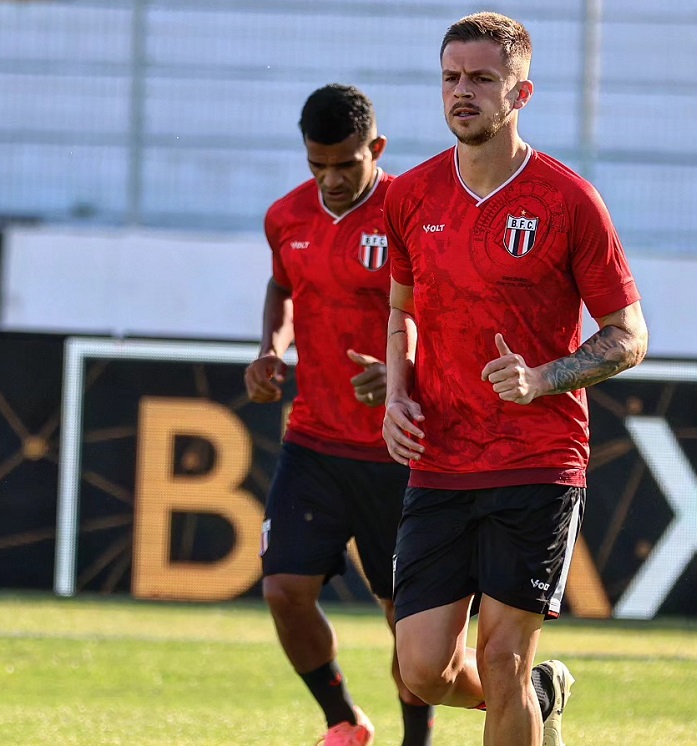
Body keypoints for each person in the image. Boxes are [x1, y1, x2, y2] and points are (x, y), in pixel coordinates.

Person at [380, 12, 648, 746]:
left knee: (501, 656)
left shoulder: (568, 200)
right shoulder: (409, 197)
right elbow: (401, 311)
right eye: (450, 77)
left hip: (537, 461)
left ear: (521, 93)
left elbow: (630, 337)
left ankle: (520, 689)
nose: (461, 92)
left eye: (481, 78)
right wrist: (397, 397)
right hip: (439, 460)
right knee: (423, 671)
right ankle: (537, 698)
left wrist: (542, 379)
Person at [244, 84, 435, 746]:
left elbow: (453, 312)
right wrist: (272, 348)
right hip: (315, 442)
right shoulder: (284, 217)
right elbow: (281, 286)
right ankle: (343, 723)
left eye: (345, 166)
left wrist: (407, 373)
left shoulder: (414, 212)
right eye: (315, 165)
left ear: (375, 150)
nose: (329, 180)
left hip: (398, 448)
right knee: (282, 591)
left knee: (406, 619)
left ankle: (419, 738)